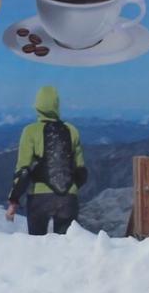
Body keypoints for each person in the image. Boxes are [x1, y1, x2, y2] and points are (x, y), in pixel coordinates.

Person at [5, 85, 87, 234]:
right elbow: (82, 172)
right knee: (65, 246)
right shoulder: (72, 130)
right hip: (68, 198)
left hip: (39, 198)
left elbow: (23, 171)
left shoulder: (30, 131)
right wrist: (70, 189)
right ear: (57, 105)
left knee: (38, 246)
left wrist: (14, 200)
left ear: (37, 105)